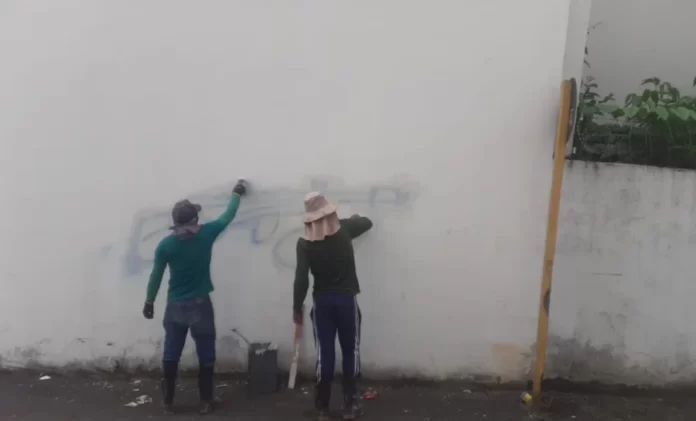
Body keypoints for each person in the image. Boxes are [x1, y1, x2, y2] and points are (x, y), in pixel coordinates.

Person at [142, 180, 247, 415]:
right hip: (200, 305)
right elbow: (228, 215)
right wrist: (236, 193)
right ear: (194, 219)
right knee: (206, 353)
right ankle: (206, 401)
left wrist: (149, 302)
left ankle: (168, 401)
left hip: (175, 306)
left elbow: (156, 275)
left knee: (171, 353)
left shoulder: (165, 246)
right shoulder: (206, 234)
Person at [293, 192, 373, 421]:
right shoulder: (345, 230)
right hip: (346, 301)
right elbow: (367, 223)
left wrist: (296, 307)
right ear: (329, 212)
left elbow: (301, 279)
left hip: (322, 304)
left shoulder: (304, 244)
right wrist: (355, 217)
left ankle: (321, 407)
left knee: (324, 353)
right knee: (351, 351)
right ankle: (351, 404)